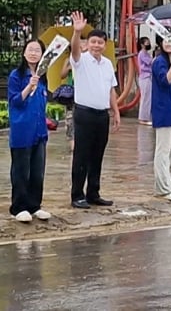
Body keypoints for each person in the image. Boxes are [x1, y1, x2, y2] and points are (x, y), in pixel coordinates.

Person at [67, 11, 120, 209]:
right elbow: (74, 51)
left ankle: (93, 193)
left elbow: (111, 89)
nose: (97, 45)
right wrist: (76, 32)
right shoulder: (80, 60)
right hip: (84, 113)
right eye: (93, 42)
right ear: (87, 43)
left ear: (105, 45)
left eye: (100, 42)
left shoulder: (107, 64)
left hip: (101, 115)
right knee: (81, 155)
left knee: (98, 155)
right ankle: (77, 195)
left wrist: (115, 112)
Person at [6, 39, 52, 222]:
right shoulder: (16, 75)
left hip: (39, 131)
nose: (33, 53)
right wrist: (29, 87)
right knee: (21, 170)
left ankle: (35, 205)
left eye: (37, 50)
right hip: (22, 131)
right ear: (24, 53)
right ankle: (18, 207)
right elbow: (15, 101)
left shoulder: (43, 77)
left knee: (37, 171)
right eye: (30, 50)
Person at [150, 36, 171, 202]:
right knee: (162, 150)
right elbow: (166, 81)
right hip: (163, 110)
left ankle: (167, 184)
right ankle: (163, 188)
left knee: (169, 150)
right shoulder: (159, 62)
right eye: (165, 40)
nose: (169, 44)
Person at [137, 37, 153, 126]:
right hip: (145, 77)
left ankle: (146, 117)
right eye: (147, 42)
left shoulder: (146, 53)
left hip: (148, 77)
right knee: (145, 98)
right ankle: (143, 118)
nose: (148, 44)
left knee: (148, 98)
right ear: (142, 44)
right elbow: (149, 62)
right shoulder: (142, 54)